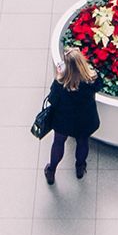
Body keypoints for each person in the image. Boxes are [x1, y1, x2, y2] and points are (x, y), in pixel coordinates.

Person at [43, 48, 101, 182]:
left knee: (58, 143)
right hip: (85, 119)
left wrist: (59, 74)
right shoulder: (92, 78)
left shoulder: (61, 83)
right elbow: (98, 86)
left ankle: (51, 171)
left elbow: (52, 99)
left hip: (63, 120)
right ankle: (80, 168)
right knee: (82, 142)